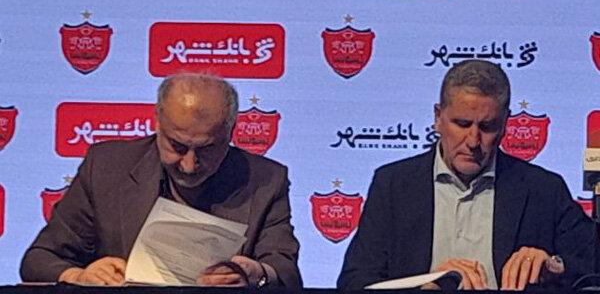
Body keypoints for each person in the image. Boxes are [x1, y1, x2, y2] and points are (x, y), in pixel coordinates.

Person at [20, 73, 302, 288]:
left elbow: (286, 272)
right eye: (177, 146)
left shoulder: (266, 180)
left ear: (231, 132)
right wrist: (80, 276)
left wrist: (257, 274)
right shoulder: (106, 167)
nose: (189, 165)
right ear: (157, 122)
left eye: (206, 149)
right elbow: (39, 259)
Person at [337, 60, 597, 290]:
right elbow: (355, 281)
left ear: (505, 125)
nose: (473, 140)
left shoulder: (543, 189)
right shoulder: (393, 185)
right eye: (462, 124)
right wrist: (426, 286)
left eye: (487, 126)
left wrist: (554, 265)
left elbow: (593, 263)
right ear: (438, 117)